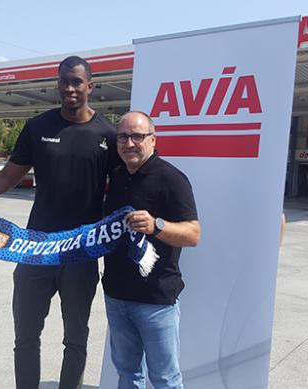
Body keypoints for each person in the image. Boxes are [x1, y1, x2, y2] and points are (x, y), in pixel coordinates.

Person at [0, 55, 117, 389]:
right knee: (25, 336)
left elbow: (122, 192)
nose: (69, 88)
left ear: (90, 86)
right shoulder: (37, 128)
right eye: (64, 81)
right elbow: (5, 179)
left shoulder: (108, 135)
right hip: (34, 249)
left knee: (76, 340)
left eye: (76, 82)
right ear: (57, 84)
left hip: (80, 254)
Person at [102, 111, 200, 389]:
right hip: (116, 296)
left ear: (153, 140)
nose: (130, 143)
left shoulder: (172, 179)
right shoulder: (117, 176)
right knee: (127, 375)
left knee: (165, 379)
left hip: (156, 301)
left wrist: (157, 225)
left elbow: (193, 234)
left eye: (138, 136)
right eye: (123, 136)